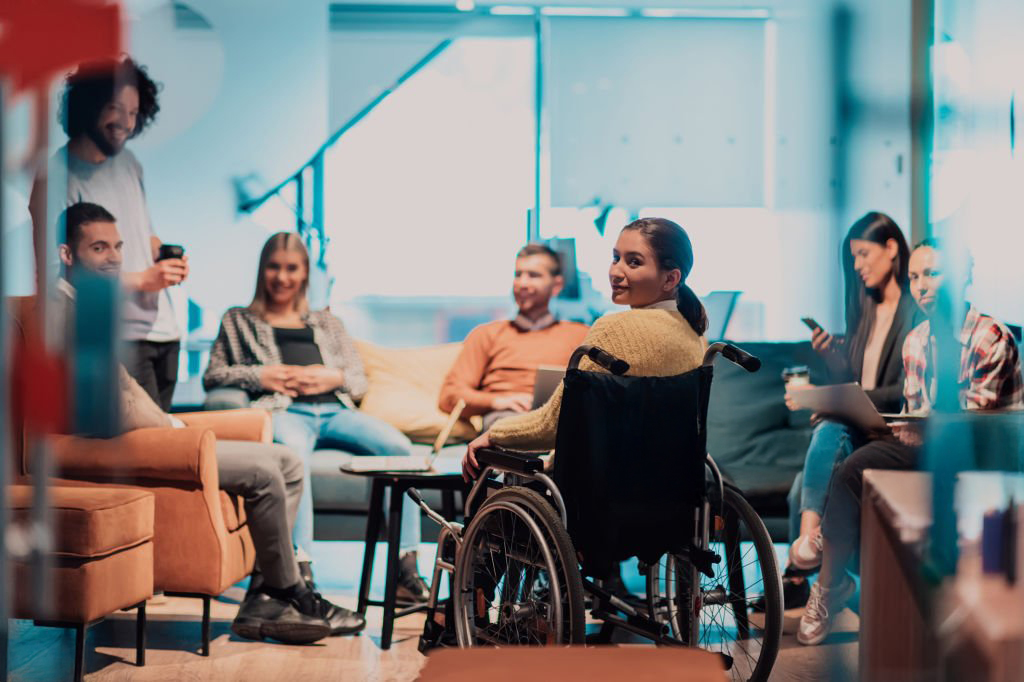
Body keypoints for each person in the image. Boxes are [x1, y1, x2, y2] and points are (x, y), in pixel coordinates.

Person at [56, 202, 365, 643]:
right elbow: (110, 405)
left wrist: (172, 424)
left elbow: (123, 390)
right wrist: (174, 429)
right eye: (99, 248)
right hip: (113, 441)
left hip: (150, 430)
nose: (114, 258)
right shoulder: (60, 312)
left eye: (119, 247)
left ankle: (266, 595)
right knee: (266, 469)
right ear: (68, 255)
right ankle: (291, 591)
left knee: (287, 464)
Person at [797, 238, 1023, 646]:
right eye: (915, 277)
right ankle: (829, 584)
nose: (922, 285)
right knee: (854, 466)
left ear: (964, 276)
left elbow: (976, 420)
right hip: (929, 444)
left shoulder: (991, 337)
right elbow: (914, 410)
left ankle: (829, 540)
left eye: (934, 273)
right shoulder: (916, 340)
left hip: (986, 451)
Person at [203, 232, 430, 603]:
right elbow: (213, 375)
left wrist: (333, 376)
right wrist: (263, 376)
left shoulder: (328, 322)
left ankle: (406, 570)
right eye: (274, 267)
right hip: (284, 410)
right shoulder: (238, 319)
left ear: (304, 273)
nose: (282, 277)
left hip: (335, 410)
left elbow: (357, 378)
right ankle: (301, 571)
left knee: (399, 447)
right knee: (293, 455)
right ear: (263, 270)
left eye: (291, 268)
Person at [463, 217, 708, 476]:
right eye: (616, 258)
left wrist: (495, 435)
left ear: (670, 279)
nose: (616, 271)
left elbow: (557, 424)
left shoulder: (614, 330)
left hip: (606, 484)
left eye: (634, 262)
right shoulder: (695, 335)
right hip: (668, 482)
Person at [30, 57, 188, 411]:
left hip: (163, 330)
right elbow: (58, 280)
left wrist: (166, 260)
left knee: (165, 449)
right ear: (88, 106)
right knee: (148, 450)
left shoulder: (130, 163)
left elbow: (146, 233)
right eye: (116, 109)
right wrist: (144, 279)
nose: (126, 124)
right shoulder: (55, 177)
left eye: (134, 113)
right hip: (115, 337)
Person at [782, 213, 920, 592]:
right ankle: (815, 570)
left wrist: (844, 401)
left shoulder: (915, 313)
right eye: (853, 259)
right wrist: (833, 361)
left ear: (891, 248)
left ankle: (808, 565)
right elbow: (855, 383)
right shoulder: (862, 313)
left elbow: (903, 389)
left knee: (830, 425)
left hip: (894, 427)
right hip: (861, 425)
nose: (857, 266)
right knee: (801, 485)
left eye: (863, 254)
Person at [439, 244, 589, 431]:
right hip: (506, 419)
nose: (522, 283)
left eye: (533, 275)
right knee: (510, 426)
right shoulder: (487, 334)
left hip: (562, 419)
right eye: (518, 275)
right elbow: (449, 396)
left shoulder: (580, 334)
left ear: (556, 285)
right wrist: (496, 401)